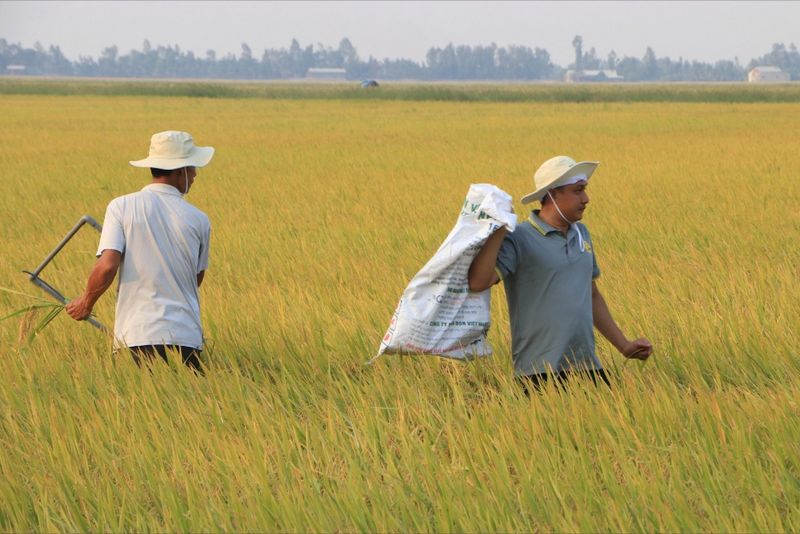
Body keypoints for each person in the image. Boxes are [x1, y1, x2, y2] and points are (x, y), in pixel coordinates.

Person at [468, 155, 652, 392]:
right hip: (538, 372)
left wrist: (624, 346)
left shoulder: (581, 234)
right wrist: (499, 231)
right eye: (578, 191)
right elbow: (478, 281)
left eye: (584, 190)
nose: (586, 199)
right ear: (553, 194)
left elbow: (591, 295)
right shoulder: (520, 238)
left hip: (586, 365)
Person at [66, 131, 214, 373]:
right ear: (180, 171)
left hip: (137, 336)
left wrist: (86, 302)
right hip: (186, 339)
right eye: (192, 168)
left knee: (142, 407)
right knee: (187, 407)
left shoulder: (121, 206)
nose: (196, 174)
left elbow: (107, 265)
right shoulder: (199, 219)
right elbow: (195, 279)